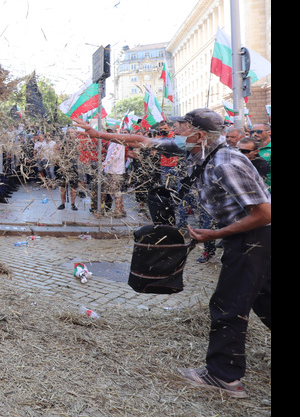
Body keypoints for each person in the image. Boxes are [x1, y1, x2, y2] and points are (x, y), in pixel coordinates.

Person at [73, 108, 270, 399]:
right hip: (248, 236)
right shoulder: (198, 148)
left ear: (200, 135)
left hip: (255, 238)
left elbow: (264, 213)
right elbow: (140, 140)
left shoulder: (227, 162)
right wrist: (97, 134)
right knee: (265, 299)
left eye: (182, 128)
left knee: (228, 305)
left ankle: (223, 376)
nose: (175, 132)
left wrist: (214, 235)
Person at [251, 123, 271, 192]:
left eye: (259, 131)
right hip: (255, 190)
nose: (255, 134)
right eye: (252, 132)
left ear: (269, 132)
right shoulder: (250, 149)